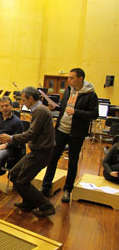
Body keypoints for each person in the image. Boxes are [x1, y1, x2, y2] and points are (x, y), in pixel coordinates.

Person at [40, 68, 98, 203]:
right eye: (68, 77)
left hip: (76, 132)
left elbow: (94, 115)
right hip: (61, 129)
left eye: (71, 78)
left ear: (80, 79)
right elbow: (66, 108)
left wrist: (76, 112)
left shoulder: (90, 94)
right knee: (52, 157)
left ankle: (67, 190)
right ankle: (46, 186)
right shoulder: (68, 90)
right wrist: (57, 107)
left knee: (72, 162)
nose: (68, 80)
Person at [0, 87, 55, 217]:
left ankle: (46, 206)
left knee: (22, 181)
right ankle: (28, 202)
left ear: (31, 99)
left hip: (41, 152)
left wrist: (11, 138)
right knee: (14, 174)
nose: (22, 103)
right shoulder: (38, 110)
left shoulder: (40, 111)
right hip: (38, 150)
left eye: (24, 100)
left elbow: (31, 133)